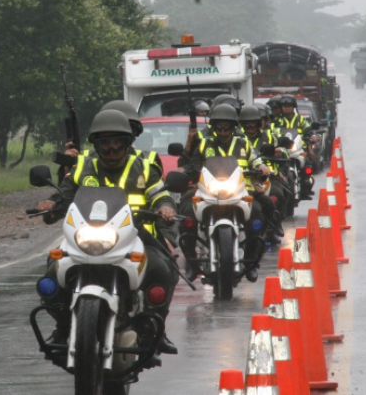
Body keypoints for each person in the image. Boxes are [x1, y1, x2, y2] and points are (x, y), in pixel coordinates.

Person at [36, 109, 180, 356]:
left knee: (163, 270)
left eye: (117, 144)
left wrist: (165, 207)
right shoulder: (82, 166)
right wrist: (51, 204)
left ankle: (154, 328)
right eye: (105, 145)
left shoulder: (144, 166)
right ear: (96, 145)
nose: (111, 151)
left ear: (127, 143)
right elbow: (64, 195)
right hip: (85, 236)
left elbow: (160, 194)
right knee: (52, 272)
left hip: (136, 236)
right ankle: (62, 325)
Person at [178, 104, 270, 282]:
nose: (222, 130)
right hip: (207, 191)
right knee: (185, 212)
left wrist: (261, 167)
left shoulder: (244, 144)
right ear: (213, 127)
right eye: (218, 126)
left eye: (226, 126)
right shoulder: (204, 143)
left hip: (240, 191)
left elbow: (256, 160)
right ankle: (192, 263)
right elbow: (192, 163)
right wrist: (189, 170)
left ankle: (251, 261)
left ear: (233, 127)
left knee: (260, 212)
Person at [64, 100, 163, 175]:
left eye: (126, 128)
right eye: (108, 135)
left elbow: (159, 195)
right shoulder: (84, 159)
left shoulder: (148, 160)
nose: (112, 146)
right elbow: (65, 192)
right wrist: (68, 164)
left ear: (135, 131)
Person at [239, 105, 287, 244]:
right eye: (247, 125)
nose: (250, 127)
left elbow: (284, 152)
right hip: (243, 180)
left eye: (253, 123)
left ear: (259, 123)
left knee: (279, 194)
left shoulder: (269, 137)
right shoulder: (239, 140)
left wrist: (279, 152)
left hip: (269, 176)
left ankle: (274, 227)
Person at [276, 94, 316, 199]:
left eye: (289, 106)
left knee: (307, 164)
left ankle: (306, 186)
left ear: (293, 107)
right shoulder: (277, 120)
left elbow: (307, 128)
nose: (287, 108)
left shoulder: (300, 119)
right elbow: (274, 132)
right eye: (285, 106)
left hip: (298, 147)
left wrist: (311, 136)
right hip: (284, 149)